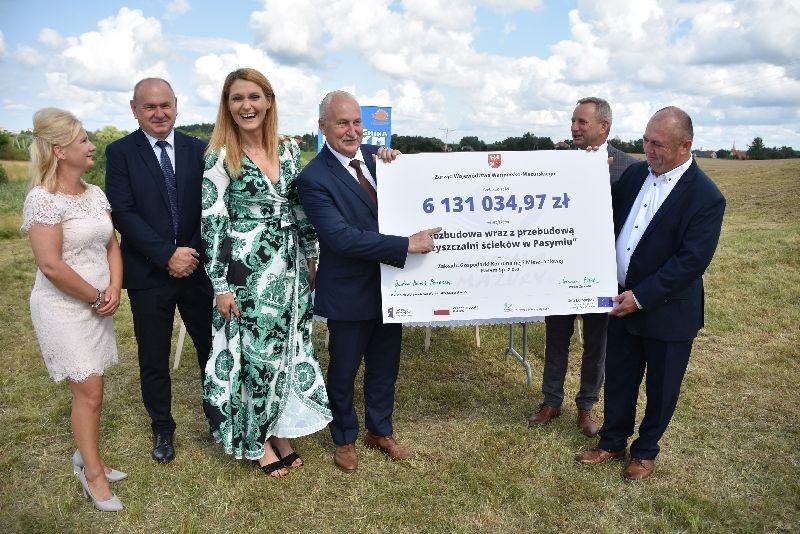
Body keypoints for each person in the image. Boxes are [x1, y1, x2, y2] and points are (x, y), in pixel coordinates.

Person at [575, 106, 725, 481]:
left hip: (667, 312)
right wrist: (586, 173)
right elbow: (602, 215)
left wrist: (640, 297)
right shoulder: (635, 174)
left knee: (661, 388)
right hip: (619, 301)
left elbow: (691, 262)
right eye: (645, 140)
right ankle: (612, 442)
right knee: (620, 377)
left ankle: (645, 452)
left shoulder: (706, 197)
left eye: (658, 144)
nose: (648, 149)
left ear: (685, 146)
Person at [297, 90, 441, 473]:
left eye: (357, 122)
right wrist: (405, 244)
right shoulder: (313, 178)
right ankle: (344, 438)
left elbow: (411, 198)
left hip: (392, 286)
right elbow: (340, 237)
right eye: (342, 123)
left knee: (384, 365)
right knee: (344, 370)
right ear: (323, 127)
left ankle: (380, 431)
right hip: (349, 290)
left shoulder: (381, 162)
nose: (352, 130)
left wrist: (399, 166)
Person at [201, 68, 332, 478]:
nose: (246, 106)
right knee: (255, 354)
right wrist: (220, 284)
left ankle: (279, 429)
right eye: (237, 98)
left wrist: (311, 258)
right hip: (246, 271)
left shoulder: (288, 149)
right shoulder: (221, 155)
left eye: (254, 97)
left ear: (269, 101)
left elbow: (300, 209)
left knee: (289, 347)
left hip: (291, 268)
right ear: (227, 106)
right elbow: (213, 221)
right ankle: (257, 441)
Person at [22, 108, 125, 511]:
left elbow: (112, 244)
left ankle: (90, 456)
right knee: (89, 391)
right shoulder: (42, 199)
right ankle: (92, 475)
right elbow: (50, 265)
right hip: (63, 307)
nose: (92, 146)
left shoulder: (95, 193)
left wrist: (113, 287)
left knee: (93, 389)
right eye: (83, 140)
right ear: (60, 151)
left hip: (99, 302)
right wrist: (96, 296)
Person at [105, 78, 213, 463]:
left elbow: (212, 207)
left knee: (211, 349)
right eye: (149, 106)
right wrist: (167, 255)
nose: (159, 113)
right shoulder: (120, 152)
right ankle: (162, 428)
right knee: (154, 357)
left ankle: (218, 420)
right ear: (134, 109)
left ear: (176, 105)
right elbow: (123, 212)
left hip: (198, 270)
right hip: (148, 274)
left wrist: (190, 253)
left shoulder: (199, 150)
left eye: (165, 105)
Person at [528, 97, 637, 436]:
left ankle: (587, 405)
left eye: (581, 122)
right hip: (560, 267)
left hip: (601, 273)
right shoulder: (558, 163)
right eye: (573, 121)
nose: (574, 127)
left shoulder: (628, 168)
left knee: (597, 343)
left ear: (604, 126)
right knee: (555, 337)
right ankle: (551, 401)